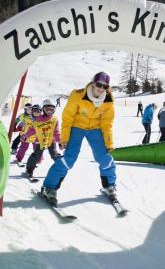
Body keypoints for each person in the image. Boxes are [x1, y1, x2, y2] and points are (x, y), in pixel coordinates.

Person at [40, 72, 117, 206]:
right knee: (69, 158)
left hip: (95, 128)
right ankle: (49, 187)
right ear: (93, 83)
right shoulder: (77, 95)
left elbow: (107, 123)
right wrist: (64, 138)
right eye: (99, 84)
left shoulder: (108, 100)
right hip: (77, 126)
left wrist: (108, 142)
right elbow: (68, 117)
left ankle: (109, 186)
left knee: (104, 157)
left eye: (105, 86)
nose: (101, 88)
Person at [23, 99, 61, 177]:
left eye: (52, 109)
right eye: (47, 109)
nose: (49, 111)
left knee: (54, 154)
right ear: (43, 109)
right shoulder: (38, 119)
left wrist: (60, 141)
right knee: (36, 155)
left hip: (51, 140)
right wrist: (25, 136)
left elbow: (56, 131)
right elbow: (32, 130)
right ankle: (29, 170)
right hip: (40, 140)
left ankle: (61, 169)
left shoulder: (54, 119)